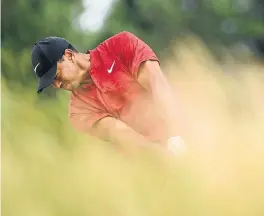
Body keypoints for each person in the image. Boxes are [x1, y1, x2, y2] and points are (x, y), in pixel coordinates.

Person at [31, 31, 186, 156]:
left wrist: (175, 136)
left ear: (69, 56)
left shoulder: (121, 45)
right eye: (52, 83)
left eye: (56, 76)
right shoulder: (78, 111)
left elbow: (158, 87)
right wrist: (165, 157)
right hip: (148, 162)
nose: (57, 85)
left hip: (180, 133)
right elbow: (124, 136)